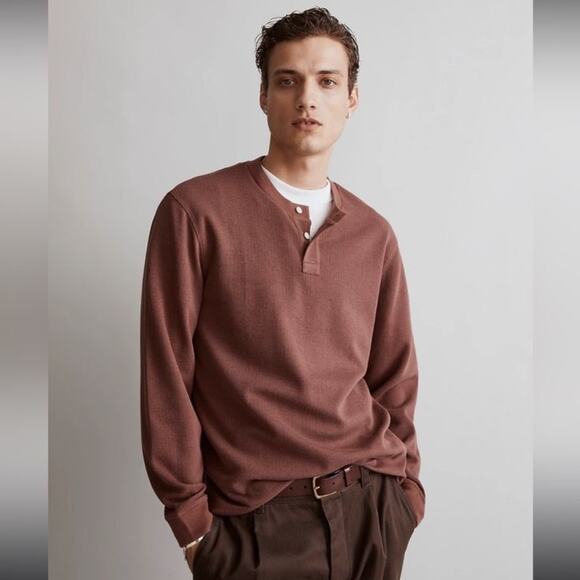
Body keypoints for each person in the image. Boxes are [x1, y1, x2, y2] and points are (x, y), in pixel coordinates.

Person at [140, 7, 425, 579]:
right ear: (264, 96)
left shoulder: (374, 234)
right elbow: (166, 371)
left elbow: (394, 376)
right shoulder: (194, 213)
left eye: (327, 82)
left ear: (352, 99)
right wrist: (192, 522)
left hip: (371, 507)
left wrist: (406, 495)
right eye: (288, 80)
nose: (307, 99)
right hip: (255, 521)